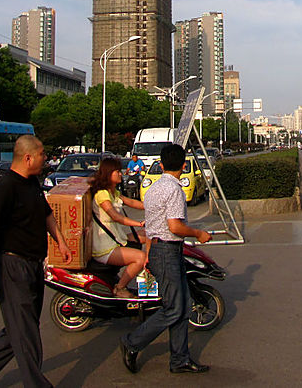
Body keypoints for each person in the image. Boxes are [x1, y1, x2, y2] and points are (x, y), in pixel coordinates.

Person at [0, 135, 72, 388]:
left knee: (20, 327)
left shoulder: (32, 183)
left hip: (33, 265)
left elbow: (47, 216)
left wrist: (61, 242)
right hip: (12, 266)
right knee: (27, 333)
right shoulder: (5, 187)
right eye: (42, 154)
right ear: (28, 157)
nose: (46, 159)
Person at [119, 144, 211, 375]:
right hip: (167, 251)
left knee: (182, 306)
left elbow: (152, 225)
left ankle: (180, 359)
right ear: (183, 165)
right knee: (173, 308)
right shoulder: (175, 190)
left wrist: (150, 254)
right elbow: (175, 226)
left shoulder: (153, 188)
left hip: (162, 251)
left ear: (161, 164)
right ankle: (132, 342)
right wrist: (198, 234)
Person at [88, 156, 147, 298]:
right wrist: (138, 223)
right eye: (117, 171)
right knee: (140, 257)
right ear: (108, 174)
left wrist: (154, 207)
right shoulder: (102, 194)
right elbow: (116, 216)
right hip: (105, 247)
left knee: (147, 234)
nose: (121, 173)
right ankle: (120, 288)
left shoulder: (113, 192)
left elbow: (132, 202)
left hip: (115, 239)